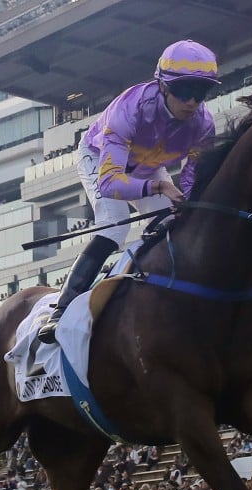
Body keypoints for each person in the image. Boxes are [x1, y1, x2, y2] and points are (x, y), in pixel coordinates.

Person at [37, 40, 219, 343]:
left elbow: (191, 179)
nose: (191, 102)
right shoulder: (131, 108)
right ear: (163, 86)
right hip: (101, 160)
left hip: (147, 167)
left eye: (200, 93)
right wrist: (160, 186)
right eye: (184, 91)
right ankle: (62, 309)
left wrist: (186, 204)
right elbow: (110, 183)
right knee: (113, 227)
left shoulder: (203, 125)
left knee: (173, 225)